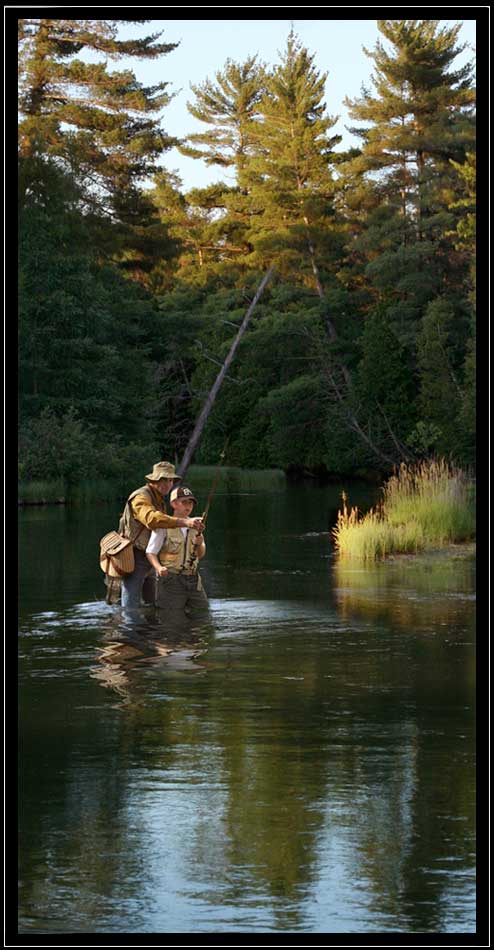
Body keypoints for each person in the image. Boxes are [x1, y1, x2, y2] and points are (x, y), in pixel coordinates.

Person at [119, 462, 204, 608]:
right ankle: (128, 629)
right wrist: (184, 522)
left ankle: (151, 629)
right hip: (134, 555)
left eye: (170, 480)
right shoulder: (140, 497)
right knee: (130, 607)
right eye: (163, 479)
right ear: (153, 480)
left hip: (149, 556)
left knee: (153, 604)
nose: (167, 484)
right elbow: (152, 519)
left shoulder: (158, 498)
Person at [145, 485, 209, 616]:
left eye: (191, 503)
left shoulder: (197, 525)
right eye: (184, 502)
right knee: (171, 619)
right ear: (174, 504)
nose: (188, 506)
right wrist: (158, 568)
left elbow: (200, 555)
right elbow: (150, 552)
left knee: (203, 615)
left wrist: (200, 544)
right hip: (171, 579)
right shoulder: (163, 525)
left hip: (193, 579)